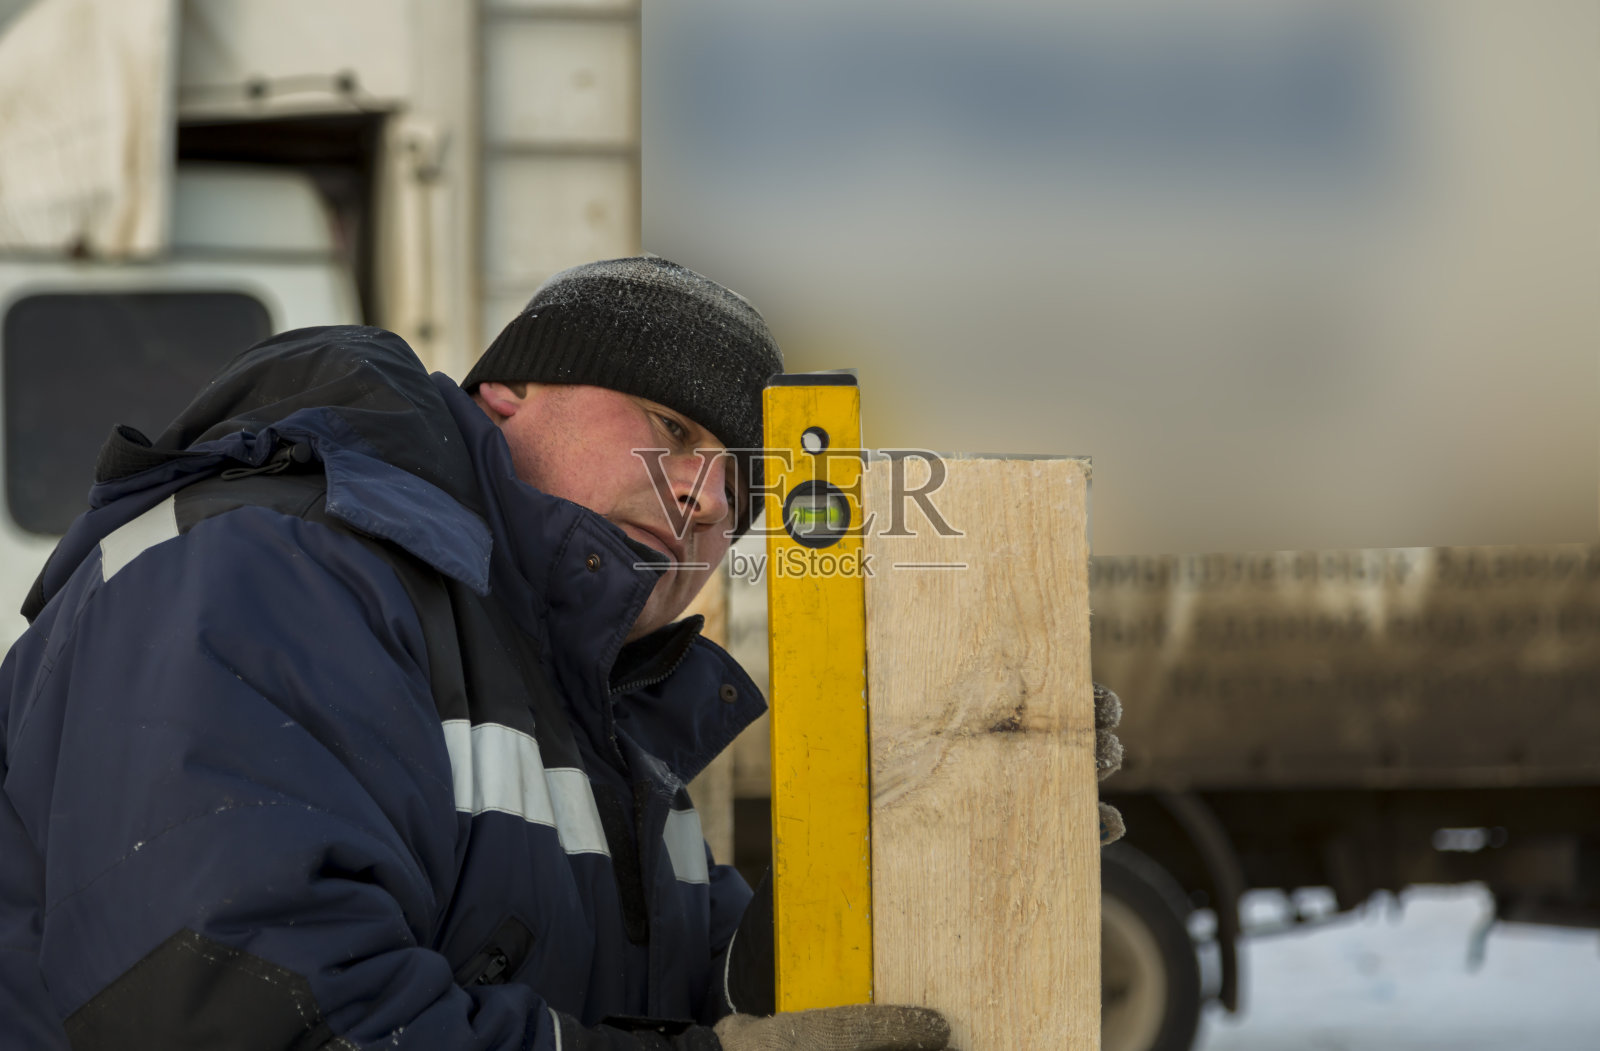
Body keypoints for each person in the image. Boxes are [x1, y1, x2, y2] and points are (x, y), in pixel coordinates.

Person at [0, 256, 1116, 1049]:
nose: (704, 501)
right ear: (506, 394)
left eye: (743, 490)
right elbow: (257, 1010)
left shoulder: (601, 724)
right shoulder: (271, 567)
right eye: (673, 430)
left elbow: (706, 993)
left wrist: (935, 837)